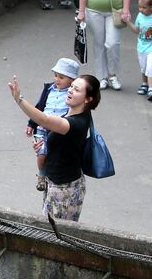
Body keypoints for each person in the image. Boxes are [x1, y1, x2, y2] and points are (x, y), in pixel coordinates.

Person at [8, 73, 101, 222]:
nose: (70, 90)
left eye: (77, 90)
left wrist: (19, 99)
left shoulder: (74, 123)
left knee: (55, 235)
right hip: (54, 183)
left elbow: (43, 120)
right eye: (71, 86)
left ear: (88, 99)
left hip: (64, 190)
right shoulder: (70, 113)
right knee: (50, 230)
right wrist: (43, 145)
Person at [25, 57, 80, 192]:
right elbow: (39, 107)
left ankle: (53, 177)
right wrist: (31, 123)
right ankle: (41, 175)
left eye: (61, 77)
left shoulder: (72, 94)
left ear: (72, 80)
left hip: (58, 130)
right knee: (42, 154)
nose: (56, 79)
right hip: (43, 129)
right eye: (55, 76)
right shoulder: (49, 89)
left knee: (55, 155)